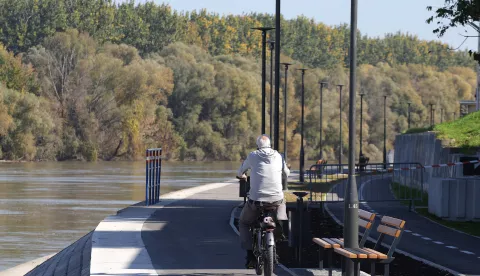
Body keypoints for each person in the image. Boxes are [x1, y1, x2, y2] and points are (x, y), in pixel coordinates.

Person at [237, 134, 290, 268]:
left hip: (256, 200)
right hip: (276, 200)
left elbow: (240, 173)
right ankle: (280, 236)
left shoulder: (252, 156)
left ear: (257, 145)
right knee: (282, 216)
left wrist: (243, 176)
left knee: (243, 222)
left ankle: (250, 255)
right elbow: (287, 173)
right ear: (270, 145)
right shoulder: (279, 156)